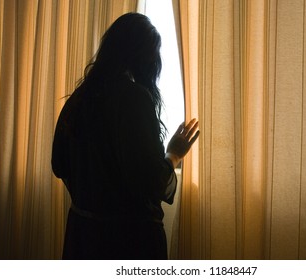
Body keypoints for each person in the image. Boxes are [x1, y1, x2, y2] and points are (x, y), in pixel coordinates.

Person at [51, 13, 199, 260]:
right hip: (129, 240)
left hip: (83, 235)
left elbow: (59, 165)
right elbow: (151, 182)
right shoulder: (133, 98)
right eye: (155, 53)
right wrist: (174, 153)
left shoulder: (79, 99)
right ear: (144, 56)